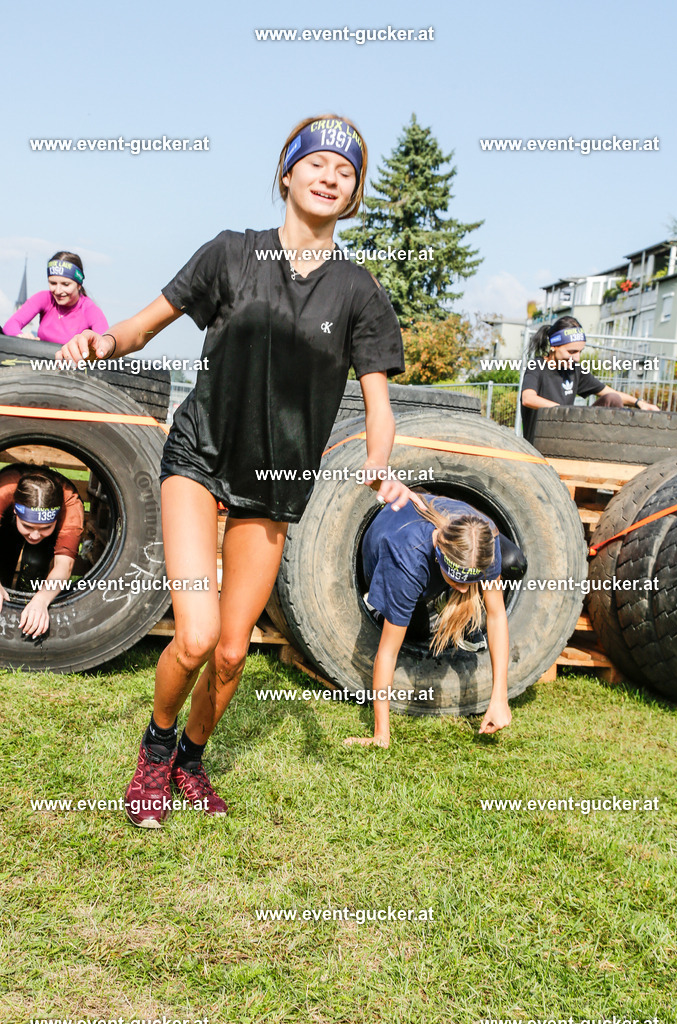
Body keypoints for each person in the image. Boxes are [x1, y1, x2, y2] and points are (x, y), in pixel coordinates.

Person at [57, 113, 421, 829]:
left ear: (352, 195)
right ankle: (154, 755)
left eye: (344, 173)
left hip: (276, 484)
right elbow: (139, 327)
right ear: (287, 175)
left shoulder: (357, 291)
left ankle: (192, 760)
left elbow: (379, 404)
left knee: (229, 654)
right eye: (316, 164)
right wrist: (98, 343)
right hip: (200, 456)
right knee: (192, 636)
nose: (328, 177)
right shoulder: (228, 255)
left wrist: (379, 467)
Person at [344, 495, 526, 748]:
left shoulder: (484, 539)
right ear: (439, 554)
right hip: (384, 557)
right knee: (417, 631)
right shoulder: (406, 562)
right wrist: (380, 734)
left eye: (469, 582)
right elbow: (387, 652)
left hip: (442, 552)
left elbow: (496, 615)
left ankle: (448, 603)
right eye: (456, 581)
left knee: (515, 563)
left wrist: (499, 697)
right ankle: (380, 603)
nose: (464, 590)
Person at [520, 316, 659, 441]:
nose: (577, 358)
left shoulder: (575, 370)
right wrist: (564, 411)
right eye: (572, 352)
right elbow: (528, 398)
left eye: (580, 352)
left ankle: (617, 446)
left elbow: (609, 393)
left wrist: (639, 403)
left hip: (569, 434)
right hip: (542, 439)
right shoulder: (537, 366)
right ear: (554, 346)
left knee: (612, 399)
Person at [0, 465, 84, 638]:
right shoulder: (4, 491)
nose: (35, 535)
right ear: (16, 511)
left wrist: (41, 600)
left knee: (36, 560)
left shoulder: (71, 506)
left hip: (48, 536)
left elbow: (64, 565)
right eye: (28, 526)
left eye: (45, 527)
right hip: (7, 521)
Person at [3, 251, 108, 346]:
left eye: (65, 284)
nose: (58, 291)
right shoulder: (44, 298)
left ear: (79, 285)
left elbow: (105, 343)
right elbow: (10, 325)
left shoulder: (90, 310)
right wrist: (20, 337)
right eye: (53, 283)